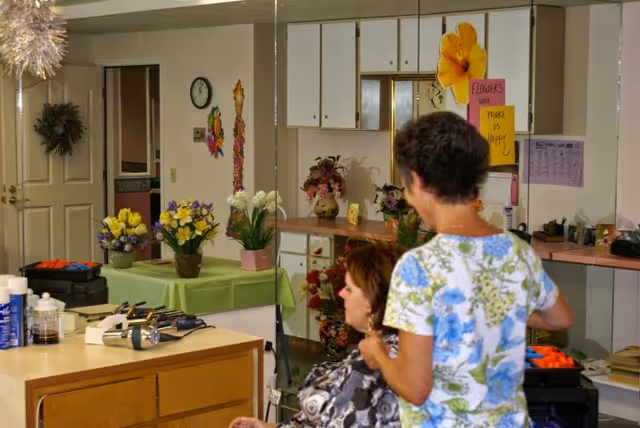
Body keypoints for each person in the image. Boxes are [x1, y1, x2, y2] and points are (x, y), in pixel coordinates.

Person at [359, 112, 574, 427]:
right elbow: (560, 318)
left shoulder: (419, 267)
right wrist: (492, 308)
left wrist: (377, 352)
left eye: (406, 188)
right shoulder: (516, 251)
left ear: (417, 180)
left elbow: (416, 388)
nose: (408, 197)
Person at [229, 242, 406, 428]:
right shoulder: (380, 351)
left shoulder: (378, 362)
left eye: (350, 289)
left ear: (372, 298)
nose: (341, 293)